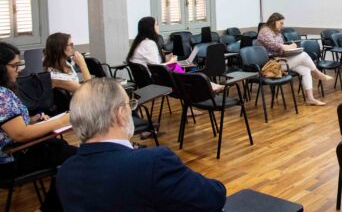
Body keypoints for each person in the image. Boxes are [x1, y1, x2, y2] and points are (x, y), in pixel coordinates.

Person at [57, 78, 226, 211]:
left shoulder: (65, 172)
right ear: (121, 114)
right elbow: (213, 198)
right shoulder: (152, 162)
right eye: (129, 104)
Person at [0, 42, 76, 212]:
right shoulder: (2, 96)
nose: (18, 70)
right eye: (14, 66)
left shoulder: (4, 92)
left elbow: (10, 125)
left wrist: (34, 120)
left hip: (14, 151)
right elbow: (20, 135)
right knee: (75, 158)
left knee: (61, 148)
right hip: (10, 161)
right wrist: (62, 121)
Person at [127, 17, 224, 93]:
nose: (158, 27)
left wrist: (166, 59)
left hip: (149, 80)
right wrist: (170, 62)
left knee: (182, 74)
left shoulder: (141, 42)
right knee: (183, 76)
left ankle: (209, 86)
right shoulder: (149, 44)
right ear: (150, 28)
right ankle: (210, 86)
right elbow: (155, 68)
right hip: (154, 81)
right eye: (156, 25)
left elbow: (152, 63)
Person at [256, 13, 332, 106]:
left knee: (306, 69)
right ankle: (317, 72)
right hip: (271, 65)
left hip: (281, 60)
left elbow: (281, 48)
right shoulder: (265, 31)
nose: (282, 25)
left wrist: (291, 49)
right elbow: (276, 46)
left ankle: (310, 99)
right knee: (303, 55)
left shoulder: (277, 33)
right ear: (275, 22)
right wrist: (289, 46)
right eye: (281, 23)